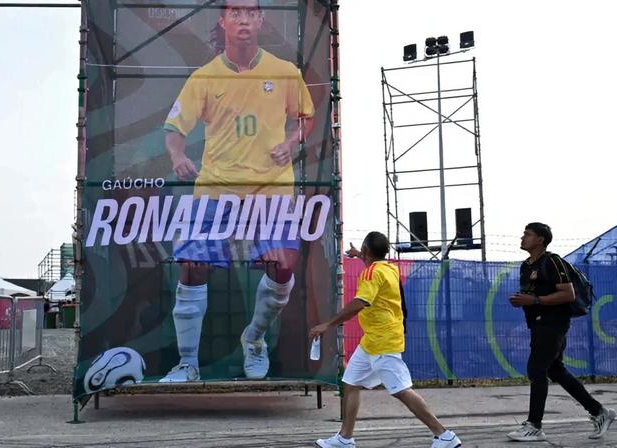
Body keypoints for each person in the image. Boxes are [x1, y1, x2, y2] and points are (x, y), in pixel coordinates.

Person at [160, 0, 315, 383]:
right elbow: (174, 129)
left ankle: (254, 339)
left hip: (272, 190)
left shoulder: (284, 72)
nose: (243, 19)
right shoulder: (205, 76)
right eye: (235, 12)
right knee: (193, 267)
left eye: (250, 12)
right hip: (217, 187)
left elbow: (306, 118)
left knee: (283, 268)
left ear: (260, 20)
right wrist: (178, 155)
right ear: (223, 20)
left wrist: (293, 142)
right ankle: (188, 363)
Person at [310, 232, 462, 448]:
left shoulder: (372, 273)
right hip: (372, 341)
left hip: (383, 342)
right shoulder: (388, 268)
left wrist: (328, 324)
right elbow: (374, 267)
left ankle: (444, 435)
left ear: (365, 250)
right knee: (350, 383)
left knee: (401, 390)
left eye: (362, 251)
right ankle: (345, 438)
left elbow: (360, 302)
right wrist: (359, 255)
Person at [506, 222, 615, 441]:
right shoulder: (526, 265)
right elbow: (532, 295)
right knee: (555, 370)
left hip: (554, 323)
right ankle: (599, 412)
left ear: (540, 240)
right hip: (538, 324)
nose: (522, 237)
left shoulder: (552, 261)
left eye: (527, 234)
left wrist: (535, 300)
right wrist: (523, 301)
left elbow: (568, 294)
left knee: (536, 369)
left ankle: (534, 426)